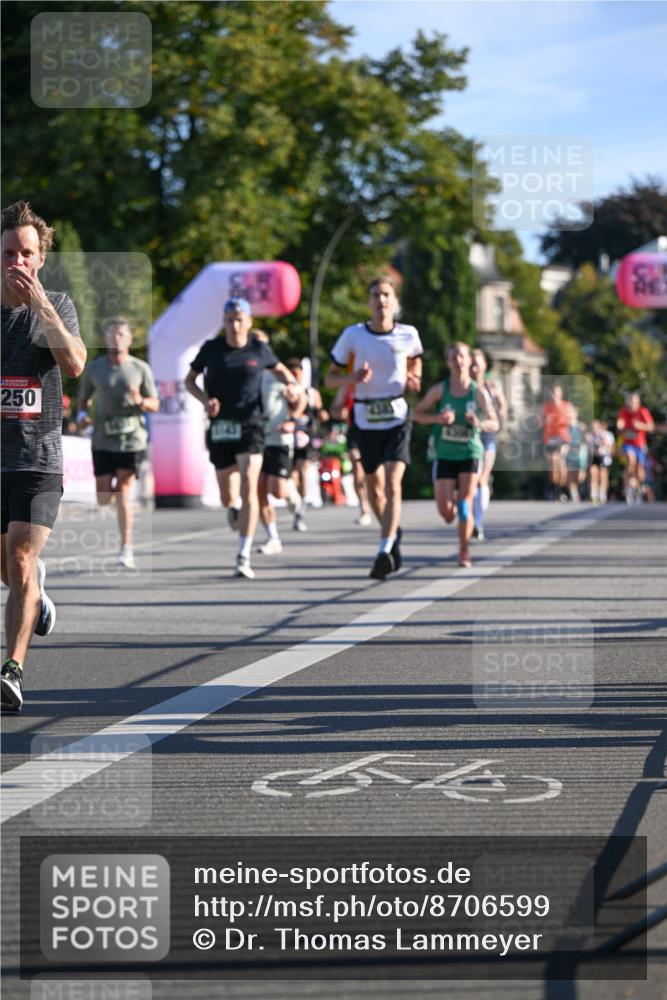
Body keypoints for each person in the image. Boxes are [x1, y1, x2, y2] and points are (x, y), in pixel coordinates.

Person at [1, 200, 87, 711]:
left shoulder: (57, 304)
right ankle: (35, 597)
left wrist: (43, 309)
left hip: (38, 458)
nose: (18, 262)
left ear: (40, 258)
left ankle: (11, 669)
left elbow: (74, 364)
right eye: (8, 252)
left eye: (26, 253)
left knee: (20, 556)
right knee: (12, 570)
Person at [184, 298, 298, 579]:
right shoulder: (212, 349)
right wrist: (205, 400)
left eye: (239, 319)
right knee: (228, 496)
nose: (234, 324)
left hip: (251, 426)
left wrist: (292, 387)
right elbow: (189, 381)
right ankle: (233, 509)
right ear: (223, 322)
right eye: (229, 319)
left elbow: (281, 371)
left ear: (249, 321)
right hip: (222, 426)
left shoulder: (259, 349)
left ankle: (243, 554)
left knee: (250, 484)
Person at [324, 276, 423, 579]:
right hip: (366, 418)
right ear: (368, 303)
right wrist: (350, 381)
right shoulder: (353, 336)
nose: (381, 301)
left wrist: (413, 378)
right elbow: (329, 378)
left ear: (394, 301)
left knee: (393, 484)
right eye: (375, 296)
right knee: (374, 489)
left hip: (396, 415)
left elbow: (416, 362)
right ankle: (392, 534)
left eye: (386, 295)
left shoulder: (408, 334)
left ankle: (383, 548)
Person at [77, 317, 159, 569]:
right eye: (111, 334)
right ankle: (117, 510)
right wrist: (82, 417)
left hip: (131, 439)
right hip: (102, 437)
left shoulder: (140, 368)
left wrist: (140, 402)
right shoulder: (95, 368)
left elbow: (154, 404)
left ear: (130, 339)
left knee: (123, 491)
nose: (116, 338)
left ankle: (126, 547)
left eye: (121, 334)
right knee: (103, 497)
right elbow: (82, 401)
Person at [414, 342, 498, 568]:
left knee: (464, 505)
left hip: (469, 453)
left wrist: (478, 423)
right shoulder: (440, 390)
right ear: (448, 362)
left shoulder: (477, 391)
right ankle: (458, 526)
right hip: (444, 454)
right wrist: (438, 420)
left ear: (469, 360)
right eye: (453, 357)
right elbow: (417, 414)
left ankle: (464, 550)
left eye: (461, 356)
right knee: (446, 512)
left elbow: (495, 422)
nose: (457, 361)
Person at [255, 333, 306, 555]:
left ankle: (292, 495)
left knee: (278, 491)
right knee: (258, 490)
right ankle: (272, 537)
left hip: (278, 438)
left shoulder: (279, 371)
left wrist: (292, 419)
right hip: (255, 438)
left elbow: (301, 397)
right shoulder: (245, 372)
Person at [287, 358, 328, 532]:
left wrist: (323, 415)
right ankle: (297, 503)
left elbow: (321, 412)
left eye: (298, 371)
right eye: (292, 372)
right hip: (288, 436)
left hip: (306, 436)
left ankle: (301, 511)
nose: (296, 375)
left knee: (302, 469)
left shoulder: (312, 393)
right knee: (292, 475)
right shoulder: (285, 390)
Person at [470, 349, 507, 540]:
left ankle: (478, 523)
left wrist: (501, 413)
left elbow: (503, 404)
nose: (474, 366)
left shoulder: (492, 386)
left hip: (488, 435)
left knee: (482, 477)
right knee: (473, 479)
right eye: (472, 362)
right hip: (468, 437)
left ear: (484, 364)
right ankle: (474, 517)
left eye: (478, 362)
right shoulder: (464, 385)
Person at [331, 382, 372, 525]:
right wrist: (341, 411)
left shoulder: (377, 381)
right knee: (357, 468)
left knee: (373, 471)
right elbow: (335, 410)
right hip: (355, 431)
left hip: (375, 431)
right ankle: (364, 509)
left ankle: (377, 498)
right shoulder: (347, 385)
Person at [616, 391, 654, 504]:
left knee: (640, 470)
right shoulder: (623, 411)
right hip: (628, 444)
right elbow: (620, 424)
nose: (632, 403)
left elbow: (651, 427)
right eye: (630, 400)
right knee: (631, 460)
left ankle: (637, 488)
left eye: (634, 401)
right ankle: (628, 488)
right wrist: (620, 426)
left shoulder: (643, 411)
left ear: (638, 402)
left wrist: (640, 425)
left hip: (640, 444)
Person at [542, 383, 572, 501]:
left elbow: (571, 419)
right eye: (553, 393)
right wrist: (545, 420)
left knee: (561, 463)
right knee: (553, 465)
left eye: (556, 393)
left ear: (561, 394)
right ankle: (555, 489)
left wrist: (559, 420)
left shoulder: (566, 406)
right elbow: (541, 422)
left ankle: (562, 489)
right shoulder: (546, 407)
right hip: (550, 439)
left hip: (563, 439)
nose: (554, 396)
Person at [587, 419, 614, 503]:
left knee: (603, 476)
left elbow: (612, 449)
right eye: (593, 427)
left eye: (596, 427)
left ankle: (603, 494)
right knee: (593, 475)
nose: (594, 429)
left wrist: (604, 442)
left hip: (604, 457)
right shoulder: (590, 436)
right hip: (594, 457)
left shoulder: (607, 435)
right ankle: (594, 494)